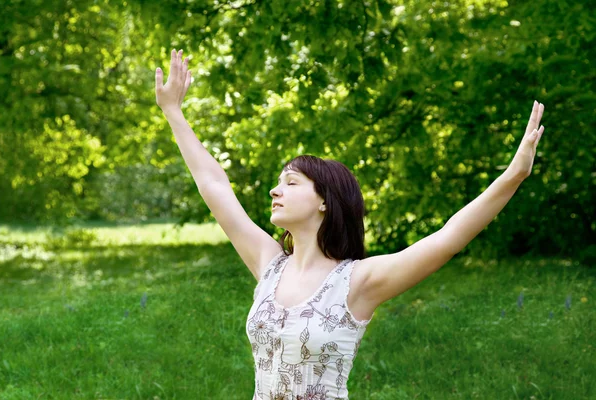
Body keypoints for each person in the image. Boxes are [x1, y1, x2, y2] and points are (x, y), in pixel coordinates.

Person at [155, 49, 545, 399]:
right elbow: (214, 186)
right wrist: (174, 111)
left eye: (290, 183)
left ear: (325, 201)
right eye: (278, 183)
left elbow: (448, 238)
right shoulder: (268, 264)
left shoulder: (357, 282)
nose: (276, 191)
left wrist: (513, 175)